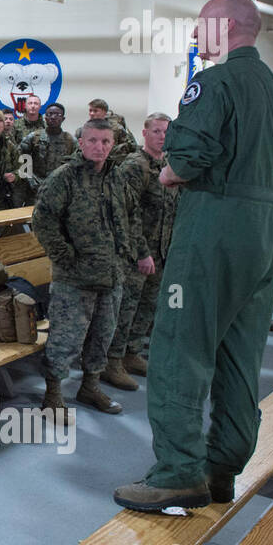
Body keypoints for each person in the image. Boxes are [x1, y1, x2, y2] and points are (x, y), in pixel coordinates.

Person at [114, 0, 273, 513]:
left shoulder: (214, 83)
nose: (196, 35)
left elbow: (186, 159)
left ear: (224, 26)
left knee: (180, 347)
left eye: (200, 25)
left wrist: (171, 171)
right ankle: (222, 469)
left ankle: (177, 472)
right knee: (242, 356)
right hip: (269, 230)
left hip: (216, 227)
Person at [32, 118, 139, 414]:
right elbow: (42, 220)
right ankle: (53, 394)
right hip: (74, 278)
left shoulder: (116, 177)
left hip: (112, 274)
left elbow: (131, 217)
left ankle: (90, 387)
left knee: (103, 335)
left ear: (113, 144)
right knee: (66, 338)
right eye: (92, 140)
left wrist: (131, 254)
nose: (99, 147)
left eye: (105, 142)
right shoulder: (64, 177)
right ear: (81, 142)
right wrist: (64, 256)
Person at [105, 113, 177, 388]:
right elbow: (125, 213)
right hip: (135, 253)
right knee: (125, 308)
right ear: (144, 134)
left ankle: (131, 353)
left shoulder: (168, 164)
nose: (161, 136)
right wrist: (141, 252)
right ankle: (111, 362)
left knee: (147, 306)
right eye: (156, 131)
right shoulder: (135, 166)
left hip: (160, 250)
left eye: (165, 132)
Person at [18, 102, 75, 197]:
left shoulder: (70, 140)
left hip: (61, 190)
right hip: (36, 189)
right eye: (50, 114)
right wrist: (30, 179)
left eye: (57, 114)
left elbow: (76, 164)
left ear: (63, 119)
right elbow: (21, 157)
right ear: (45, 118)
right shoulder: (34, 137)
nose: (53, 117)